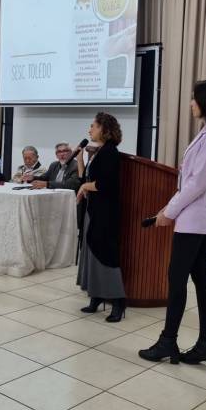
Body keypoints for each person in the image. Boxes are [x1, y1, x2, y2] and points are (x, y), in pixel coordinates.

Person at [139, 79, 206, 370]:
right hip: (197, 217)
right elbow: (189, 182)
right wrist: (168, 208)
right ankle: (205, 345)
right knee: (200, 278)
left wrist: (169, 212)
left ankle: (168, 341)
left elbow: (195, 183)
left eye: (195, 98)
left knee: (177, 278)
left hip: (195, 219)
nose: (191, 103)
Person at [76, 113, 126, 322]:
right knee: (91, 251)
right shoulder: (98, 152)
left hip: (105, 212)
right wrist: (80, 162)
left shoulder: (110, 153)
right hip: (94, 210)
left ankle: (118, 301)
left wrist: (85, 187)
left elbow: (104, 184)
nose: (90, 130)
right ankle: (96, 295)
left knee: (105, 253)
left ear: (105, 129)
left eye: (93, 126)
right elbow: (86, 179)